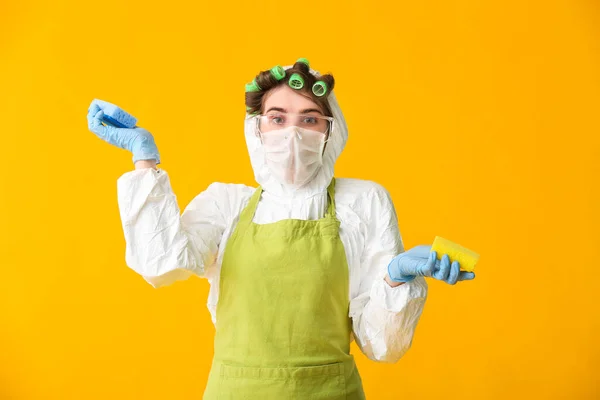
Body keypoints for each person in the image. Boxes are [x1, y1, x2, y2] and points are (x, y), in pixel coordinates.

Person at [86, 58, 475, 400]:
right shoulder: (226, 204)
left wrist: (394, 280)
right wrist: (144, 159)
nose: (293, 133)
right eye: (277, 118)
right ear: (257, 129)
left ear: (330, 131)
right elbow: (160, 264)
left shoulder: (363, 202)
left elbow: (383, 347)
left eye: (309, 118)